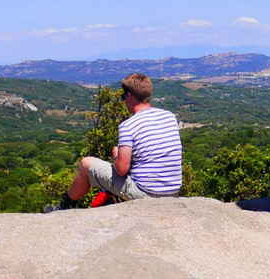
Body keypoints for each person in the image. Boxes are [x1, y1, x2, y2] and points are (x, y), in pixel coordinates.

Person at [43, 73, 182, 212]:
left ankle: (63, 207)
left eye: (123, 97)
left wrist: (116, 156)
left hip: (146, 194)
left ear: (129, 96)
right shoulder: (169, 116)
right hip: (172, 192)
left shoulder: (128, 126)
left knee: (86, 164)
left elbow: (121, 169)